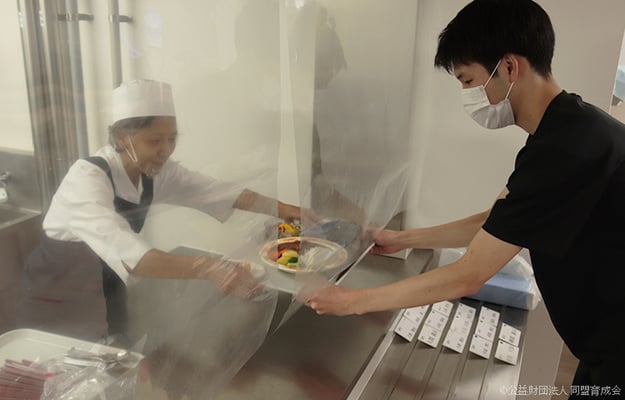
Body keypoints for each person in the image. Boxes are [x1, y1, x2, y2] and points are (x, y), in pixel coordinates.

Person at [305, 0, 625, 394]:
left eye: (468, 80)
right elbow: (496, 220)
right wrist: (400, 238)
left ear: (509, 67)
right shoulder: (568, 129)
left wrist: (350, 301)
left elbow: (468, 275)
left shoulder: (566, 149)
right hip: (603, 345)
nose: (466, 94)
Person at [18, 79, 307, 341]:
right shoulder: (87, 179)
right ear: (122, 138)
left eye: (172, 139)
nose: (166, 150)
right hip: (59, 298)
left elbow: (215, 190)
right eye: (155, 140)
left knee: (114, 358)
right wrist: (208, 267)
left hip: (106, 290)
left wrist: (283, 209)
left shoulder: (154, 172)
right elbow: (129, 256)